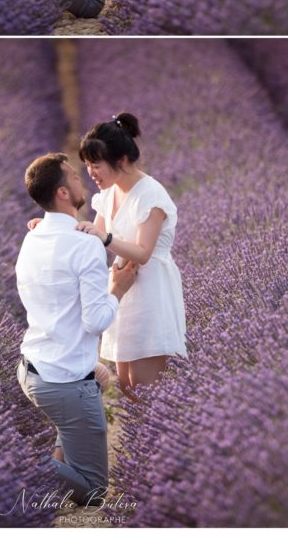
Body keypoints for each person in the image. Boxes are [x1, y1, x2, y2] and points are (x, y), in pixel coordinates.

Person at [15, 152, 138, 506]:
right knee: (95, 491)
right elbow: (96, 320)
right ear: (62, 193)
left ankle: (44, 473)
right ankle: (14, 462)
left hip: (33, 369)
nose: (80, 178)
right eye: (72, 175)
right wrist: (119, 288)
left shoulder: (32, 237)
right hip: (63, 382)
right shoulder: (85, 245)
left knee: (96, 381)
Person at [77, 113, 187, 395]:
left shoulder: (151, 195)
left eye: (96, 164)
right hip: (123, 290)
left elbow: (143, 252)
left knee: (145, 389)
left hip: (151, 292)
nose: (91, 172)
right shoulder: (109, 194)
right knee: (126, 384)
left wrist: (106, 237)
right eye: (87, 165)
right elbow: (91, 239)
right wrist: (52, 227)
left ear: (121, 160)